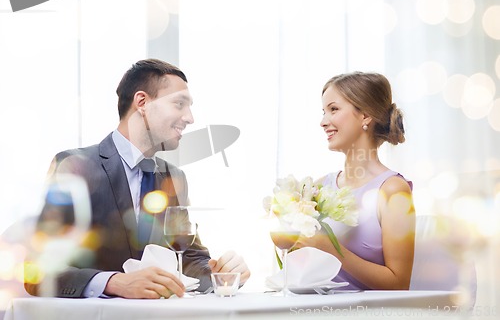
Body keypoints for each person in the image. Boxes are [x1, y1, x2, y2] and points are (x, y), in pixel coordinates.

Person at [25, 59, 250, 299]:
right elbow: (37, 272)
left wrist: (224, 273)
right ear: (142, 103)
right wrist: (114, 282)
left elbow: (188, 259)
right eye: (179, 104)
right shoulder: (74, 166)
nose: (190, 118)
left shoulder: (175, 177)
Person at [295, 71, 415, 290]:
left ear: (365, 116)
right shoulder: (319, 187)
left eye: (334, 109)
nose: (323, 122)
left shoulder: (392, 190)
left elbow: (399, 283)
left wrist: (332, 250)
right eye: (324, 112)